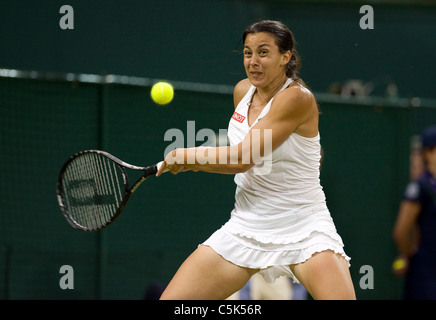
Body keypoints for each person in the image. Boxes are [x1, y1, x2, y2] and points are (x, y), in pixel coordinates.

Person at [156, 20, 356, 300]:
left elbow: (243, 158)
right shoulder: (241, 92)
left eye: (263, 52)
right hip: (246, 226)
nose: (253, 61)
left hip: (304, 226)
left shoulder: (297, 98)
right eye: (248, 53)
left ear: (285, 57)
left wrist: (184, 155)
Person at [393, 125, 436, 299]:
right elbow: (401, 232)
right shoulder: (419, 188)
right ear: (428, 153)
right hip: (425, 271)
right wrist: (410, 255)